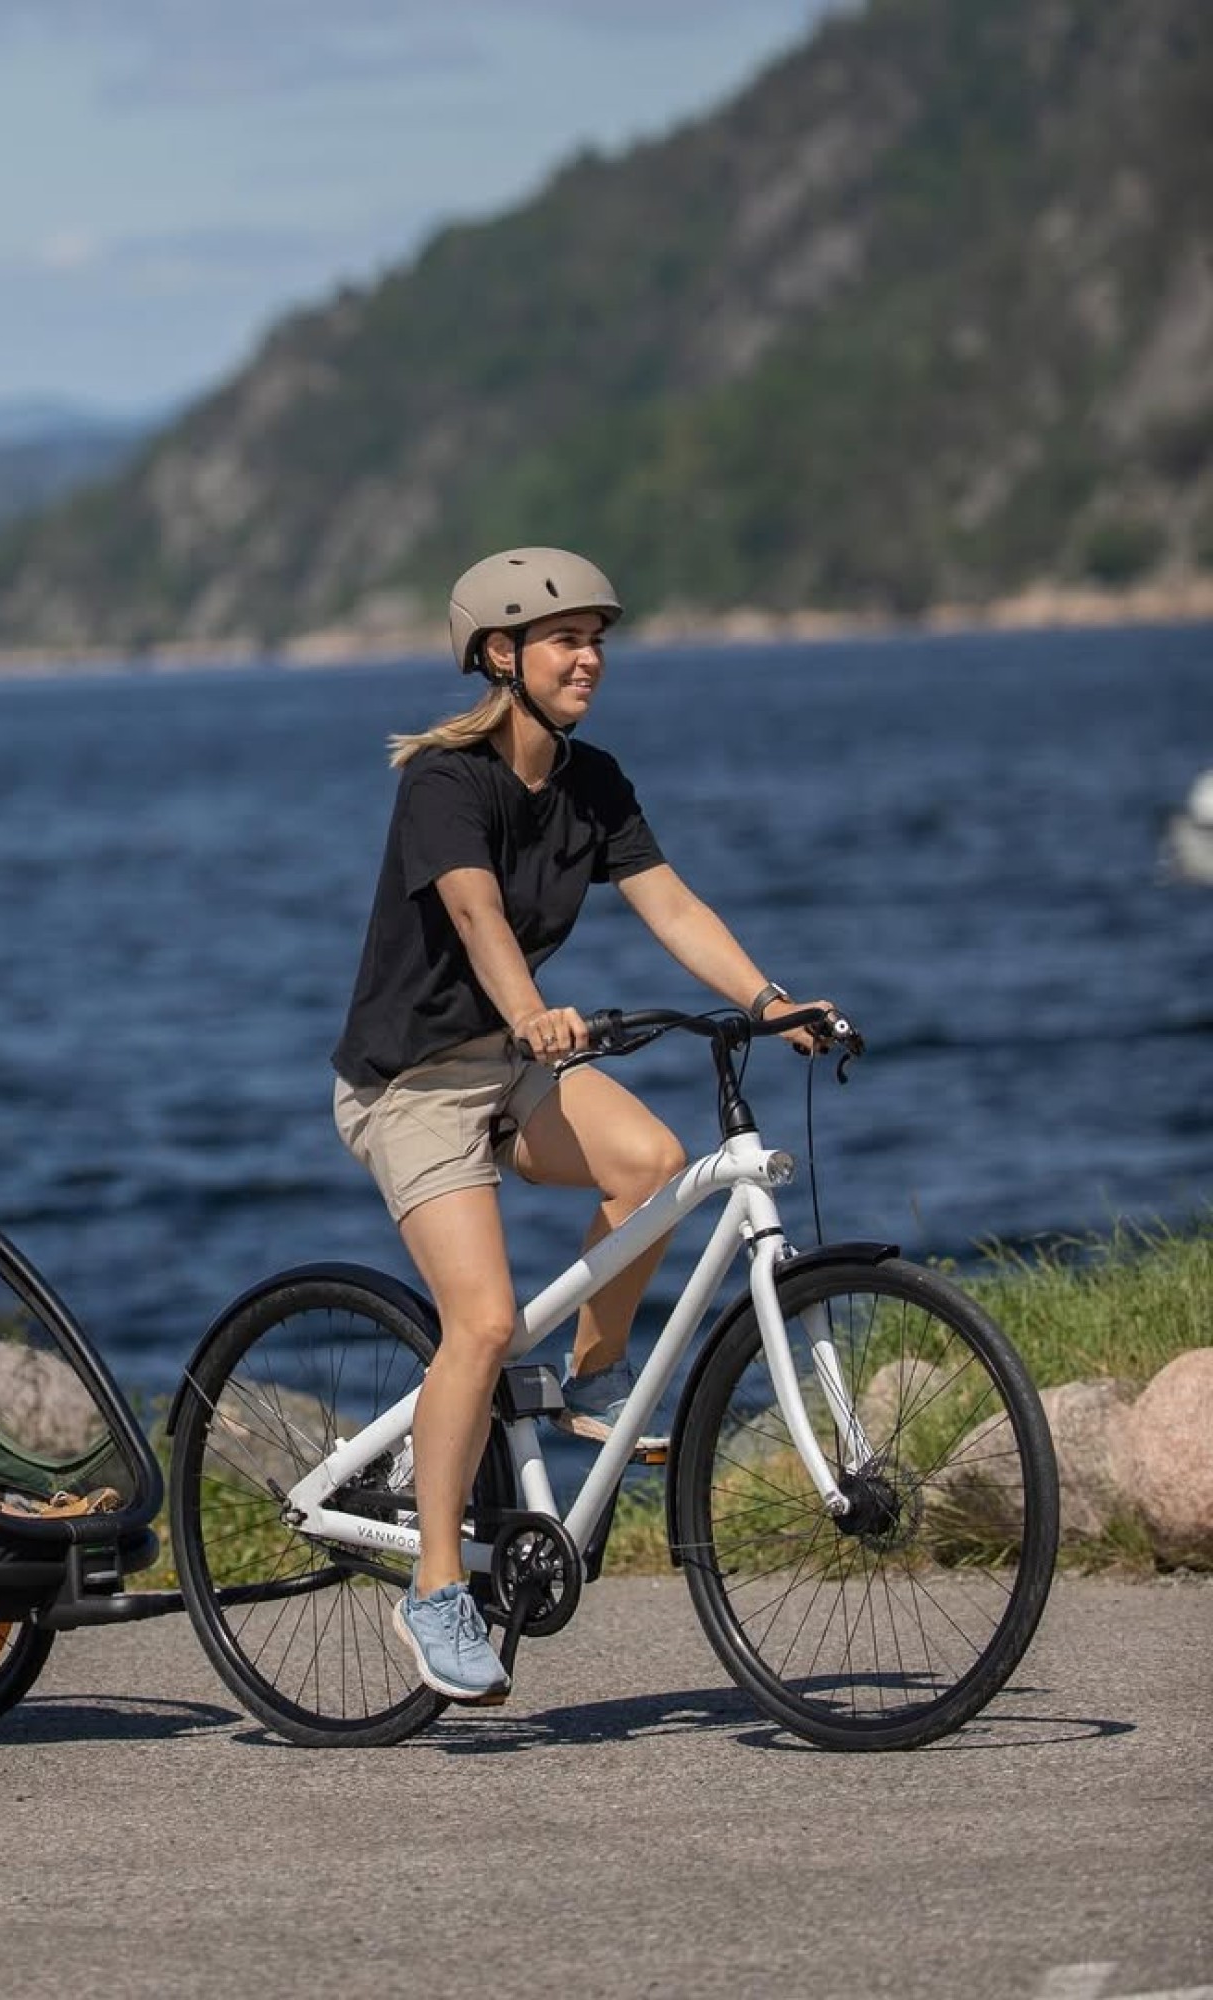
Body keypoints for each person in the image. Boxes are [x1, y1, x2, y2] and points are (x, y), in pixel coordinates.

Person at [330, 546, 838, 1705]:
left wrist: (768, 1000)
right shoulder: (445, 782)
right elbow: (472, 911)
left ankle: (589, 1381)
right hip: (410, 1086)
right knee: (481, 1318)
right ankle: (436, 1589)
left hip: (511, 1066)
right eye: (564, 639)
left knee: (652, 1162)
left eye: (596, 639)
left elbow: (671, 903)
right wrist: (529, 1013)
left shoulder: (592, 781)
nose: (588, 658)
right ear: (497, 655)